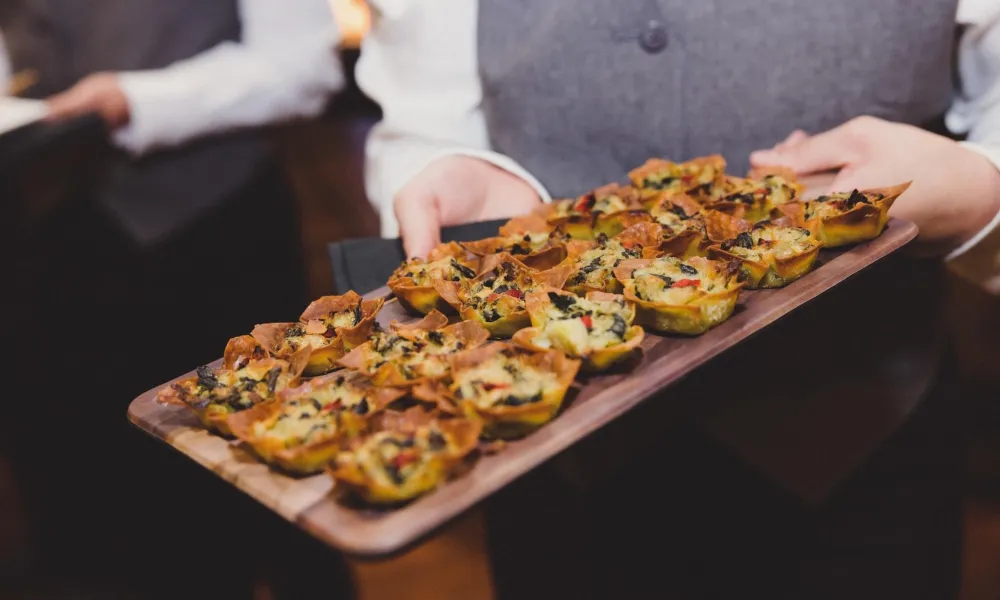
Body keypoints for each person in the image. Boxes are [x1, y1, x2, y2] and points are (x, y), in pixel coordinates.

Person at [358, 1, 1000, 599]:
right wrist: (451, 160)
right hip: (550, 463)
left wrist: (985, 185)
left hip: (862, 441)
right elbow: (425, 102)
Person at [0, 2, 353, 597]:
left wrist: (135, 99)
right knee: (88, 510)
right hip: (45, 245)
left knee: (262, 495)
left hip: (212, 237)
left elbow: (304, 65)